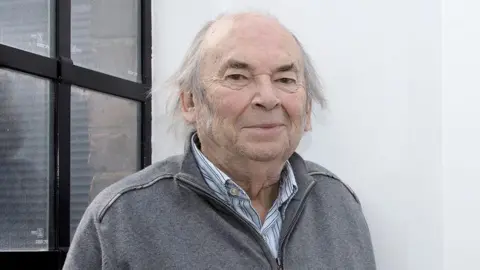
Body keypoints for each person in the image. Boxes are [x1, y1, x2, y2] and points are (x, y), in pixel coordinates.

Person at [63, 12, 376, 269]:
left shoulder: (338, 204)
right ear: (190, 103)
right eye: (237, 77)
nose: (268, 98)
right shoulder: (122, 220)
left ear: (306, 110)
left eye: (285, 79)